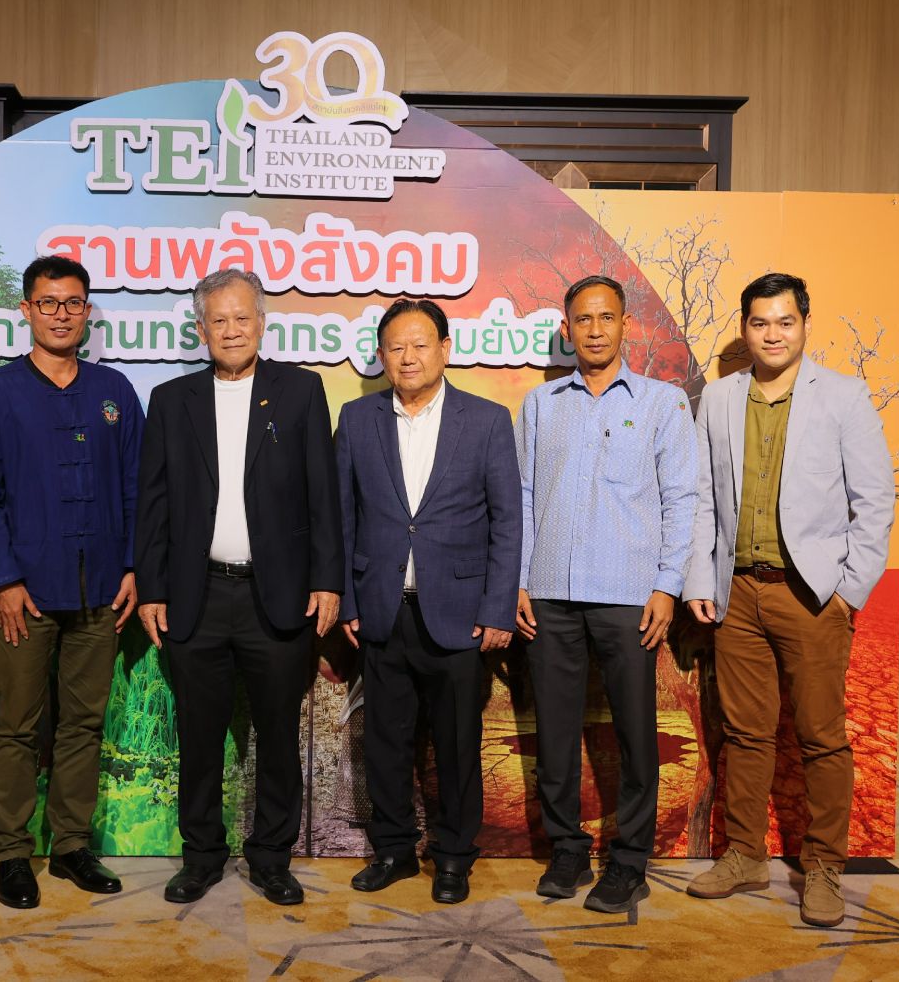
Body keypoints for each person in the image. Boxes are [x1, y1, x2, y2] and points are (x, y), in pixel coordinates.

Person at [682, 273, 894, 928]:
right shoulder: (719, 398)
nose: (772, 334)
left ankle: (824, 865)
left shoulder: (843, 396)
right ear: (745, 329)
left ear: (804, 323)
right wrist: (699, 579)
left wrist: (848, 591)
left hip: (812, 595)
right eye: (760, 323)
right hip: (737, 593)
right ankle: (745, 855)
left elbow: (874, 501)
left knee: (822, 736)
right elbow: (702, 496)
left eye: (785, 321)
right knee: (745, 733)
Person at [133, 268, 343, 906]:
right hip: (196, 595)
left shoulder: (300, 391)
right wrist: (152, 589)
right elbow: (153, 503)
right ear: (201, 329)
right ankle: (201, 856)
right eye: (218, 320)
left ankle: (272, 858)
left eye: (242, 318)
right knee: (199, 737)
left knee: (277, 736)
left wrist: (327, 580)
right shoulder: (171, 399)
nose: (231, 330)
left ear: (261, 324)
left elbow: (323, 494)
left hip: (275, 597)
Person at [515, 274, 698, 914]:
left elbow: (682, 499)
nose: (595, 330)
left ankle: (629, 861)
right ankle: (566, 849)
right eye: (583, 320)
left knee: (635, 733)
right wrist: (519, 579)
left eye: (606, 318)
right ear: (567, 330)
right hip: (550, 594)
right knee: (555, 734)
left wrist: (667, 586)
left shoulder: (662, 404)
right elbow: (523, 497)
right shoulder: (541, 405)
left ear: (625, 324)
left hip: (629, 597)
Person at [0, 255, 142, 910]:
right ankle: (14, 853)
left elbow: (137, 488)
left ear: (86, 311)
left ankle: (70, 847)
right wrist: (2, 580)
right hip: (26, 595)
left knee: (83, 724)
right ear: (27, 309)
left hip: (101, 590)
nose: (60, 314)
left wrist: (133, 567)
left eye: (72, 303)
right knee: (16, 726)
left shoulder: (114, 391)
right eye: (48, 302)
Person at [332, 299, 522, 905]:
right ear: (381, 356)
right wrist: (350, 601)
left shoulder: (487, 420)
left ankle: (454, 856)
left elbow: (507, 522)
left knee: (458, 742)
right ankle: (393, 850)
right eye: (395, 347)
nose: (408, 357)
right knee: (385, 740)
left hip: (460, 613)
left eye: (419, 345)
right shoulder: (357, 419)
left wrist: (496, 609)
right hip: (382, 609)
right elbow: (342, 518)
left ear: (445, 348)